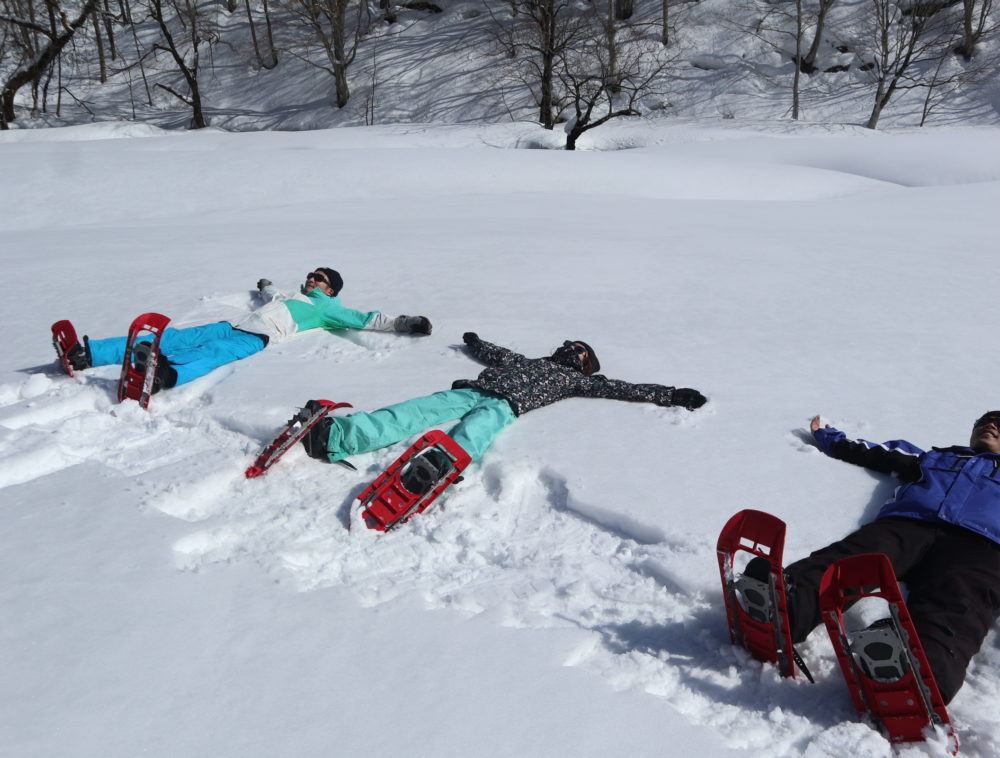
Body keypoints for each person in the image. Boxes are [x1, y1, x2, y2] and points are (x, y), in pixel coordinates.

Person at [747, 411, 1000, 704]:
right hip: (910, 523)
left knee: (960, 600)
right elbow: (875, 453)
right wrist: (829, 437)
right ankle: (785, 605)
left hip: (982, 545)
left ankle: (920, 669)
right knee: (853, 559)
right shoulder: (936, 457)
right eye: (984, 422)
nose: (990, 425)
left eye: (999, 424)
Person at [301, 332, 707, 492]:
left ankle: (436, 467)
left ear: (585, 364)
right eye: (570, 343)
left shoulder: (578, 381)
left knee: (475, 433)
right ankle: (337, 435)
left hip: (504, 405)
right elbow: (495, 353)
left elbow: (623, 388)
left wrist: (671, 395)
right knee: (412, 411)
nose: (570, 347)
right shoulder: (525, 360)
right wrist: (475, 342)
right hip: (473, 389)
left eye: (579, 349)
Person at [58, 268, 432, 392]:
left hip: (256, 337)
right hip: (231, 324)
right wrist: (266, 285)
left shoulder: (329, 309)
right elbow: (271, 294)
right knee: (171, 337)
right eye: (310, 274)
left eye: (319, 278)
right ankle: (88, 354)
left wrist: (404, 323)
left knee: (211, 355)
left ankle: (161, 377)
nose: (311, 279)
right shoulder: (291, 294)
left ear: (330, 289)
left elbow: (367, 319)